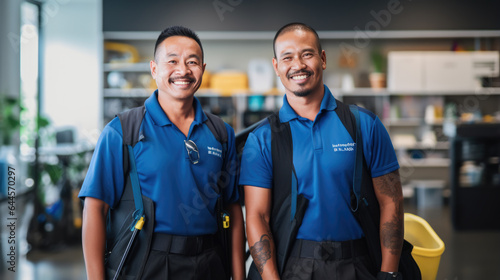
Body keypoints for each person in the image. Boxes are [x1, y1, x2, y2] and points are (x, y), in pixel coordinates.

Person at [79, 26, 245, 280]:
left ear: (203, 68)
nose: (183, 70)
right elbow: (95, 208)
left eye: (193, 62)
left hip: (211, 263)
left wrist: (238, 276)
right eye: (172, 61)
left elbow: (233, 209)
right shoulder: (123, 131)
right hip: (148, 262)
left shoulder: (222, 134)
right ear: (154, 69)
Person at [240, 22, 404, 280]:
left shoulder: (365, 125)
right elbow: (257, 216)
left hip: (359, 265)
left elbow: (391, 201)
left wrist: (389, 272)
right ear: (276, 67)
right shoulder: (262, 139)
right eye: (287, 57)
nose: (298, 65)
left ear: (323, 59)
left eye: (307, 54)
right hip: (293, 266)